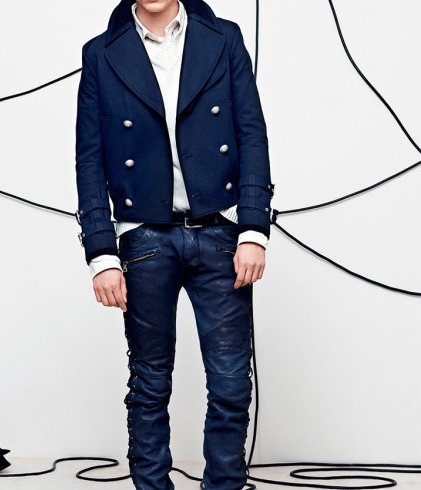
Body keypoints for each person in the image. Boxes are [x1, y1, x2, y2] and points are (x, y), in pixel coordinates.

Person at [75, 0, 275, 488]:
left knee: (231, 383)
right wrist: (102, 252)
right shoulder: (101, 53)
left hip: (221, 230)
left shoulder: (224, 38)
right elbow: (89, 159)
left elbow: (252, 135)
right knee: (149, 385)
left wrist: (253, 229)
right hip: (143, 235)